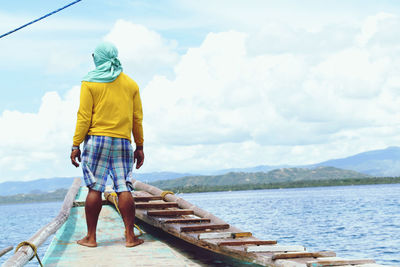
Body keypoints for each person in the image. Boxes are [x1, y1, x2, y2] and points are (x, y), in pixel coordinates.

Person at [70, 42, 144, 248]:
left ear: (99, 58)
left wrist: (76, 144)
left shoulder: (89, 82)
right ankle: (130, 237)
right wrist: (140, 146)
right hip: (122, 141)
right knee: (123, 187)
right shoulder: (131, 84)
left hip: (97, 140)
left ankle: (91, 238)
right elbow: (137, 118)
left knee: (94, 187)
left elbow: (84, 117)